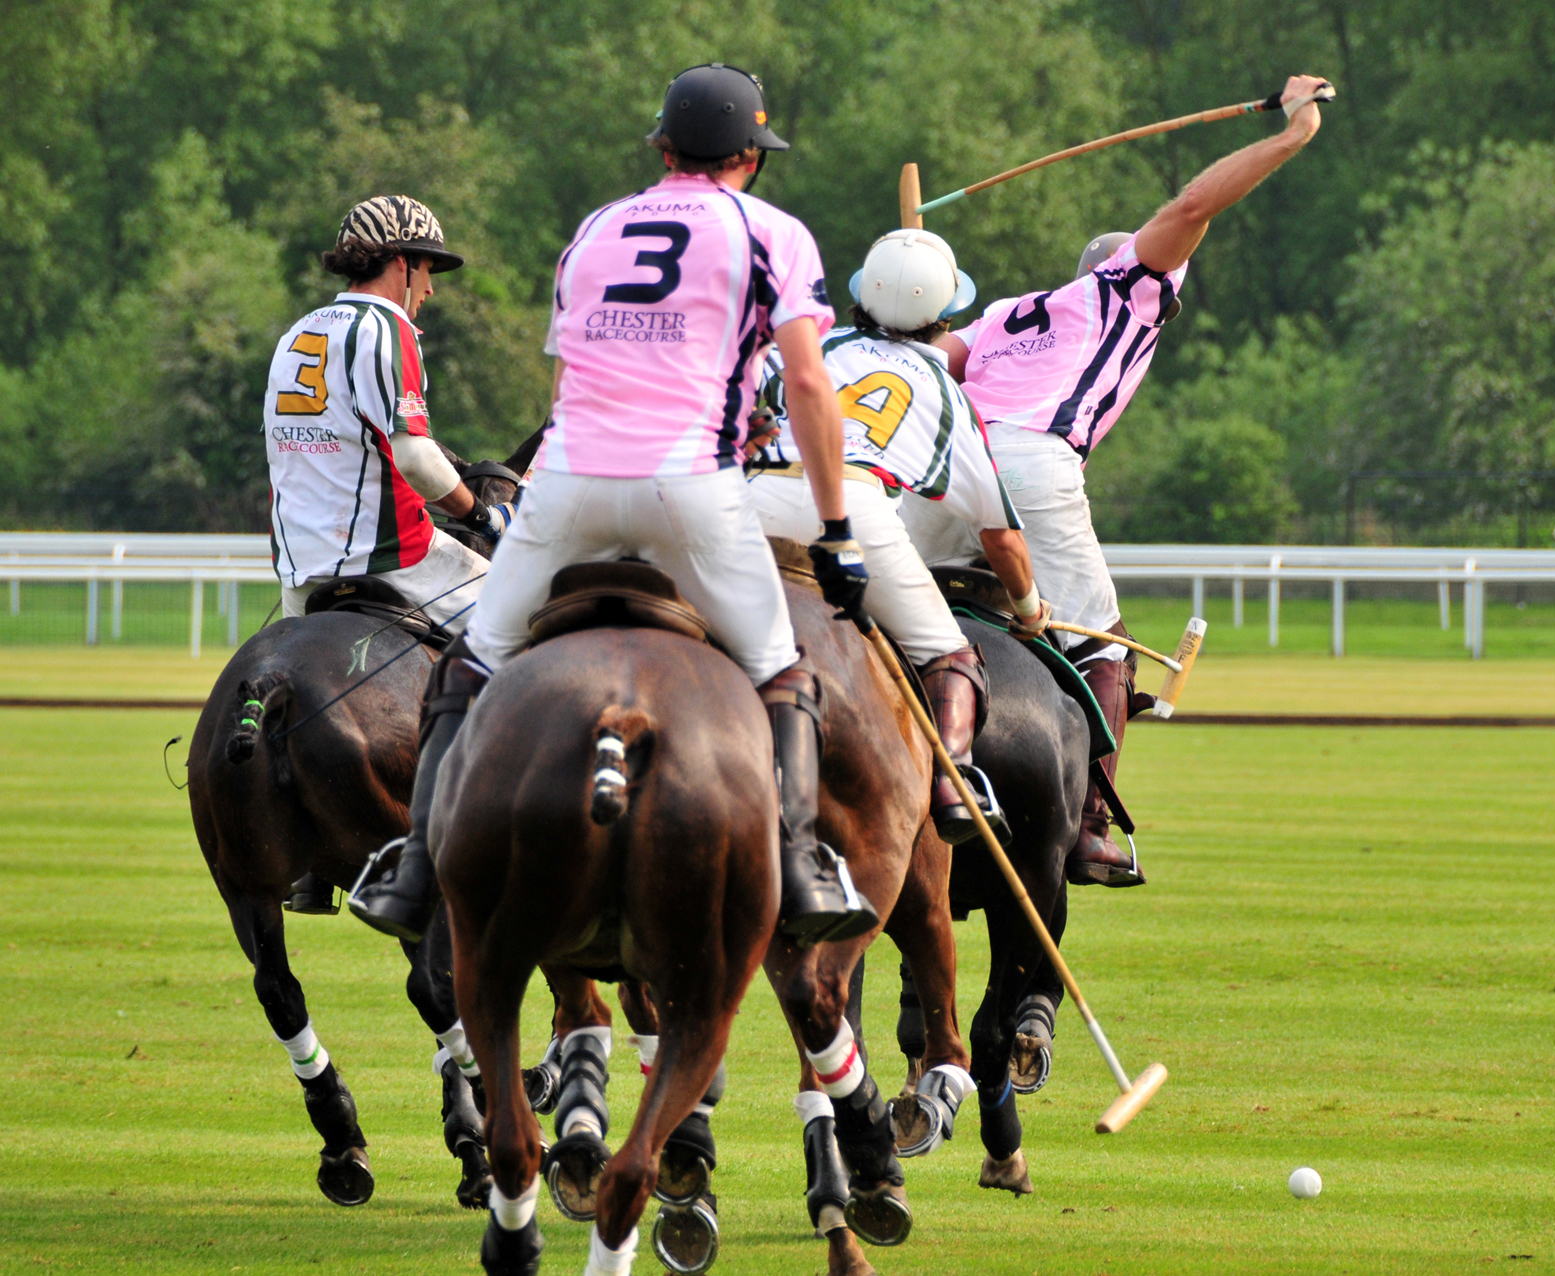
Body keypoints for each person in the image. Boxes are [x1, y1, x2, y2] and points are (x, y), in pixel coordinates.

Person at [349, 63, 878, 952]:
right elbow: (812, 388)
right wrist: (836, 533)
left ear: (663, 148)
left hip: (568, 485)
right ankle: (796, 863)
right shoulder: (772, 232)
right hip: (691, 488)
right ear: (752, 155)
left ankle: (413, 869)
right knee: (782, 669)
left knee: (472, 663)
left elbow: (566, 385)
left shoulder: (593, 230)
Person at [905, 74, 1329, 885]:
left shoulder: (1002, 313)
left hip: (944, 462)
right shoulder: (1128, 289)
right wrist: (1291, 135)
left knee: (897, 611)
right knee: (1103, 643)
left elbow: (924, 362)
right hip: (1029, 462)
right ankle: (1091, 826)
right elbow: (1192, 207)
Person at [750, 228, 1052, 845]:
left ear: (861, 294)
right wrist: (1030, 610)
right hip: (854, 512)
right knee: (949, 654)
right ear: (943, 315)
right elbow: (999, 537)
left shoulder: (805, 346)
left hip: (750, 500)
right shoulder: (946, 390)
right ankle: (954, 785)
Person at [265, 195, 510, 633]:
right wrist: (483, 517)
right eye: (428, 270)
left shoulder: (296, 333)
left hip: (298, 575)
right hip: (392, 561)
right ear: (402, 262)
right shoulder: (386, 326)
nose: (430, 289)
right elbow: (416, 459)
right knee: (531, 623)